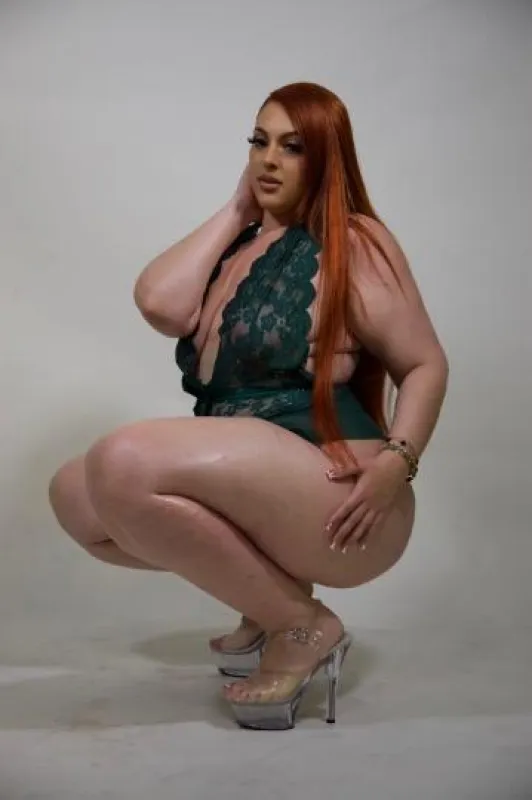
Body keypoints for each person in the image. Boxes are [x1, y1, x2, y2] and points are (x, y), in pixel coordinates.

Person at [48, 81, 448, 731]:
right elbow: (160, 304)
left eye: (293, 147)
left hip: (343, 491)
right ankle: (268, 606)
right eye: (259, 142)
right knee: (74, 495)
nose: (269, 160)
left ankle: (301, 626)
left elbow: (425, 362)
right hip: (267, 483)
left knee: (123, 460)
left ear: (327, 158)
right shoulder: (241, 244)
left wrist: (397, 463)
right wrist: (238, 211)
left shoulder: (354, 240)